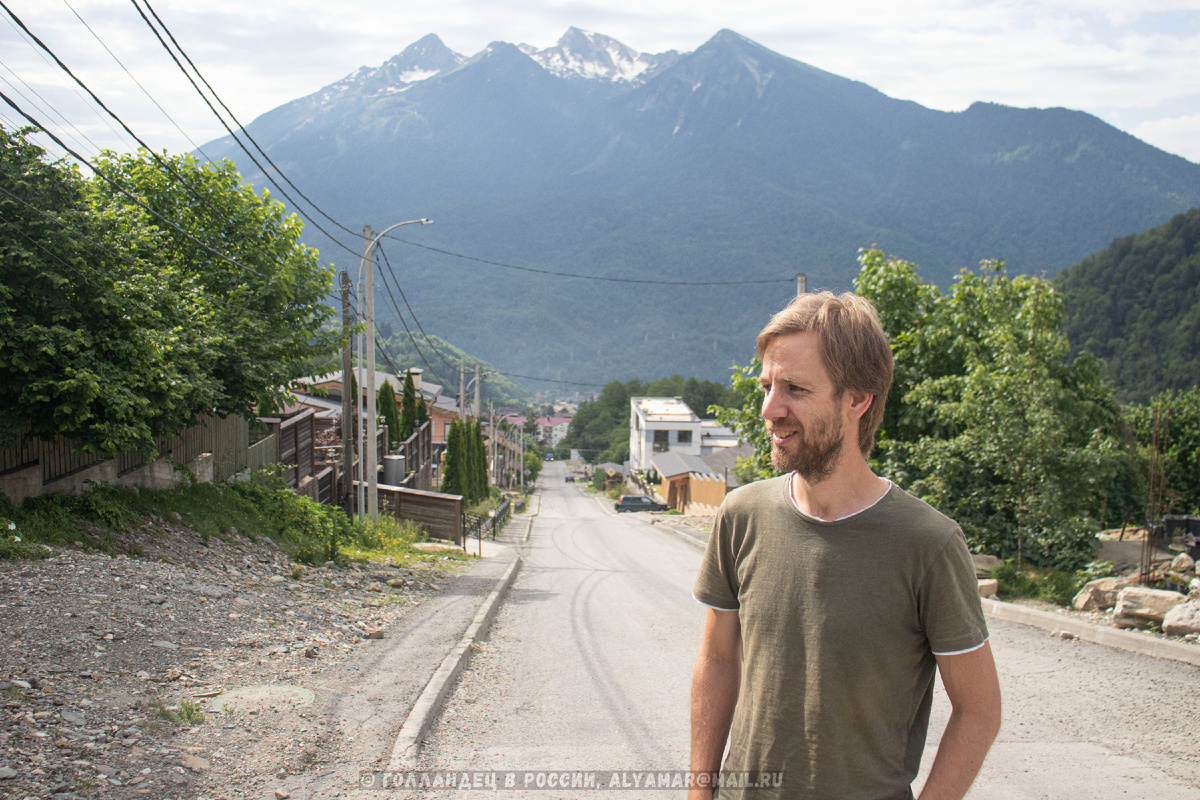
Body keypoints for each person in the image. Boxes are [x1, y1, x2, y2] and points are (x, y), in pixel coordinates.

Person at [690, 291, 1001, 800]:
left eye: (794, 389)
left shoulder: (929, 544)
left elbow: (979, 709)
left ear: (857, 400)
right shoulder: (741, 516)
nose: (770, 409)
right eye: (767, 386)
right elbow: (718, 661)